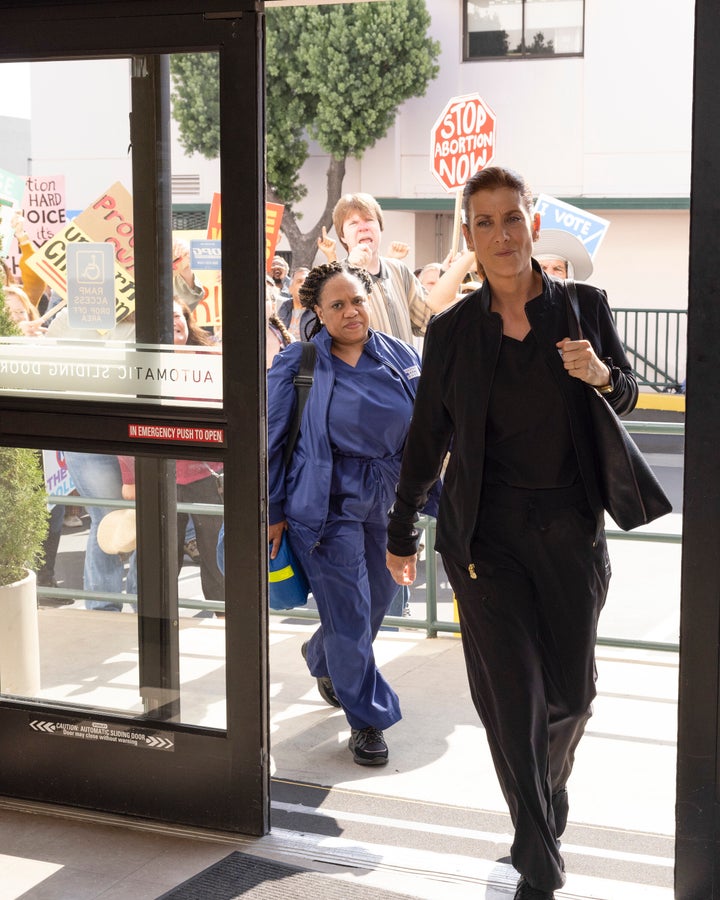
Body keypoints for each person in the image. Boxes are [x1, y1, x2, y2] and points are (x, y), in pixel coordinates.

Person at [385, 166, 638, 900]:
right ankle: (537, 857)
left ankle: (545, 796)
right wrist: (402, 531)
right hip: (485, 546)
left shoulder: (583, 308)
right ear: (468, 236)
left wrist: (600, 373)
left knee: (572, 699)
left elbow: (626, 396)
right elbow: (427, 437)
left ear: (533, 224)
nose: (501, 235)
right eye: (485, 223)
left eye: (513, 219)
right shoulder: (455, 331)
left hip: (570, 535)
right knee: (513, 703)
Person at [267, 261, 437, 767]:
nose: (350, 312)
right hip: (325, 504)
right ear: (317, 313)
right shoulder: (299, 363)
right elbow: (271, 443)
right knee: (347, 610)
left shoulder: (400, 356)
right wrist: (272, 509)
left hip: (386, 501)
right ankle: (366, 719)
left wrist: (432, 496)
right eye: (336, 304)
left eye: (357, 300)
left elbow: (428, 433)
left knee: (378, 599)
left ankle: (321, 657)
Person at [331, 192, 459, 342]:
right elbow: (338, 336)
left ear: (380, 228)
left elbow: (430, 319)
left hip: (406, 366)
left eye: (369, 220)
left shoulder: (399, 270)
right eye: (353, 223)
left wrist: (448, 274)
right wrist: (354, 269)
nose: (363, 227)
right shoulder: (334, 277)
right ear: (342, 236)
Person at [277, 266, 313, 341]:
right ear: (290, 289)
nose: (304, 285)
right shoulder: (282, 308)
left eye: (308, 282)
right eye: (299, 281)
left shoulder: (320, 312)